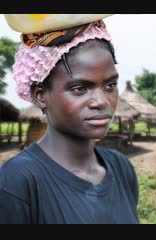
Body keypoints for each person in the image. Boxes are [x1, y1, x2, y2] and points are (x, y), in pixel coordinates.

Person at [0, 16, 139, 224]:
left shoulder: (121, 168)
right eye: (80, 89)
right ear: (40, 94)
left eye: (110, 85)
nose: (101, 102)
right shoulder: (17, 182)